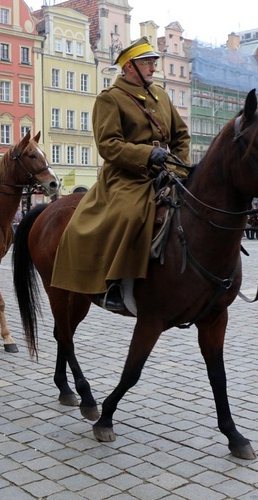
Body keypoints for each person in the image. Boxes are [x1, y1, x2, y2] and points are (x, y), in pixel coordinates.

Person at [50, 37, 191, 311]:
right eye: (147, 63)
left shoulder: (160, 95)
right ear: (129, 67)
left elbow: (181, 135)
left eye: (153, 62)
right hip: (127, 175)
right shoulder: (110, 99)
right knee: (131, 213)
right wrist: (146, 155)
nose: (152, 68)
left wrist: (177, 167)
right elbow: (108, 145)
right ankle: (115, 282)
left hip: (167, 172)